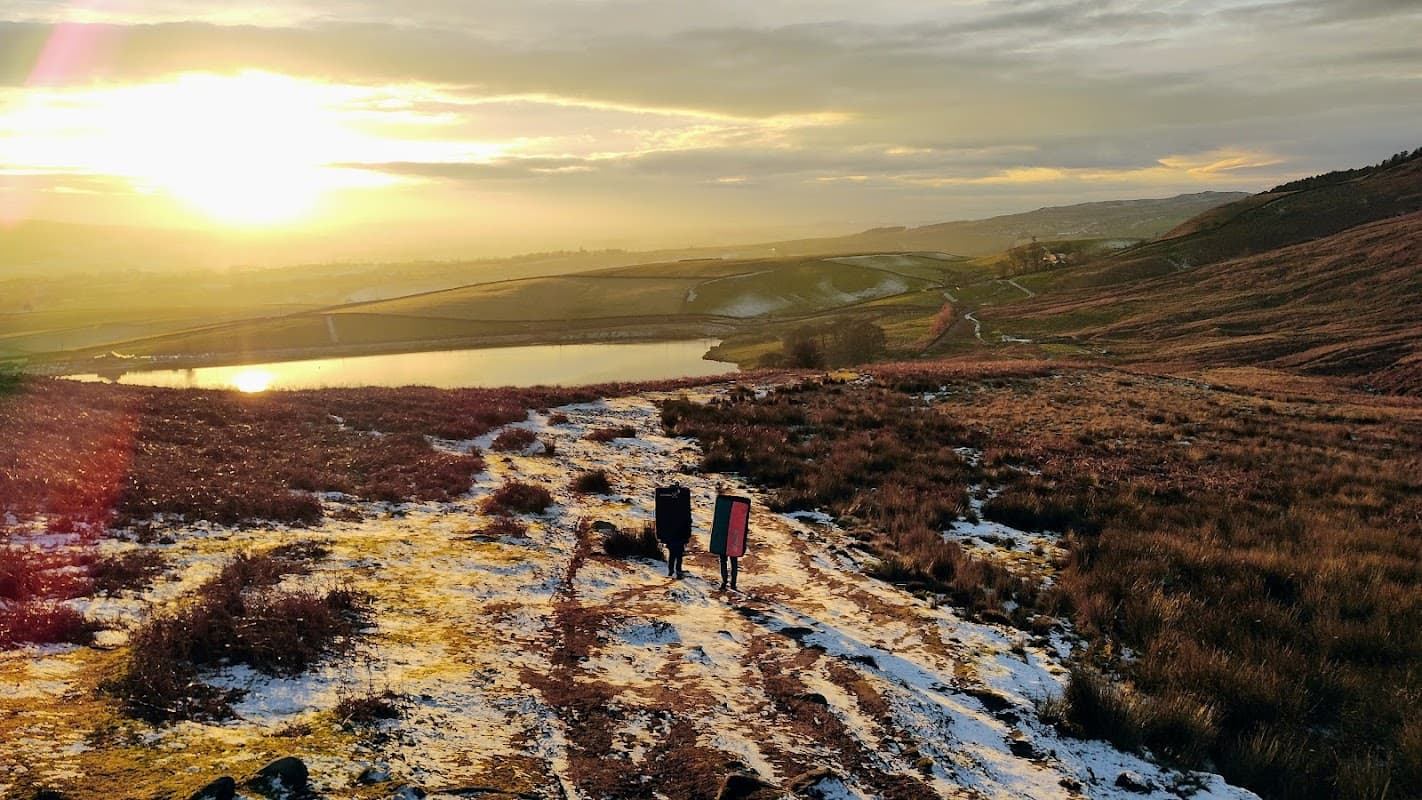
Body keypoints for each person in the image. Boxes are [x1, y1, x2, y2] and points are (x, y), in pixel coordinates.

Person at [655, 485, 692, 579]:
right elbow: (687, 521)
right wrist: (687, 536)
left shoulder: (666, 508)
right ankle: (678, 570)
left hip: (671, 537)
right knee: (678, 556)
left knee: (672, 555)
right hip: (679, 537)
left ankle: (671, 570)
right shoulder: (683, 508)